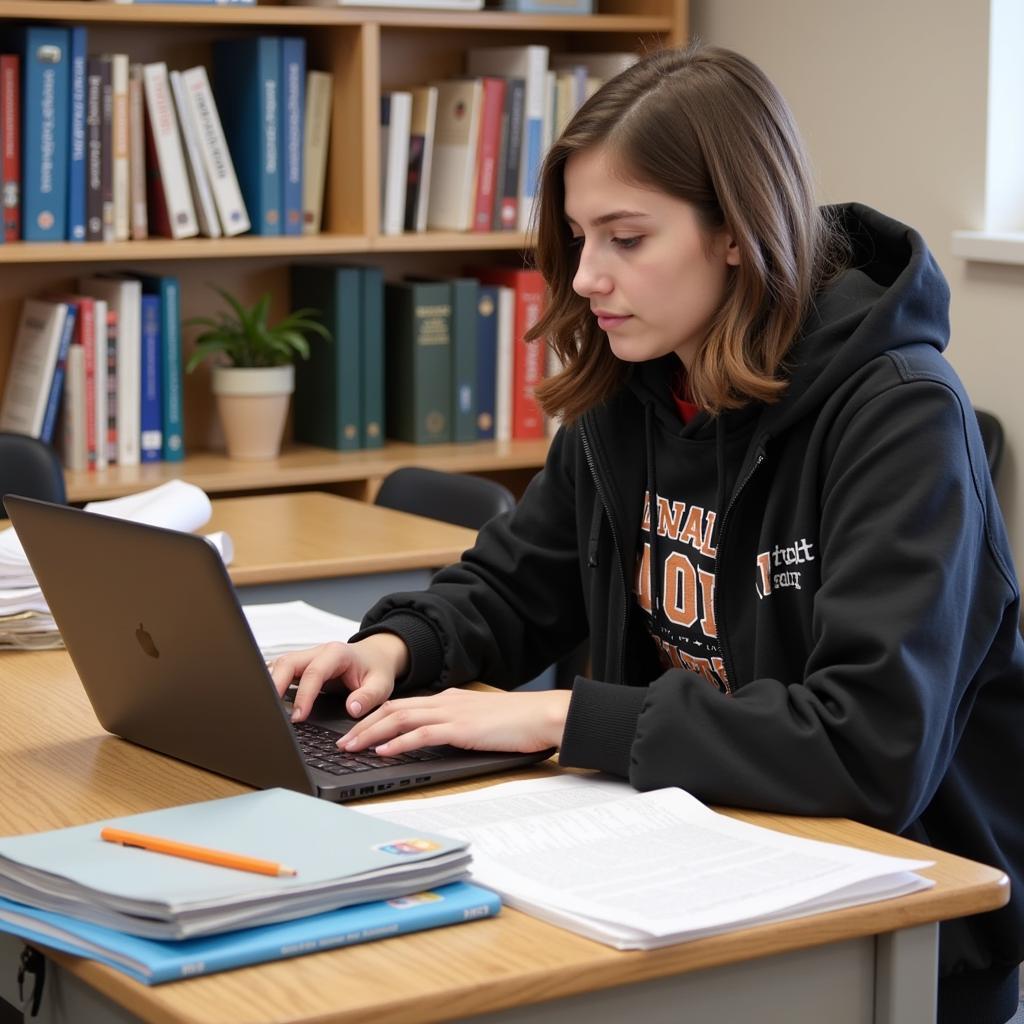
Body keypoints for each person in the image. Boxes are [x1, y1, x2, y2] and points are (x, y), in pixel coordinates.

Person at [271, 43, 1024, 1024]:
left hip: (898, 923)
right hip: (687, 861)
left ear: (734, 234)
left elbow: (870, 748)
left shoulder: (900, 414)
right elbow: (513, 582)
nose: (586, 276)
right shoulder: (636, 385)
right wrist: (394, 645)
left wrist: (561, 719)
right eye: (580, 237)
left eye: (626, 238)